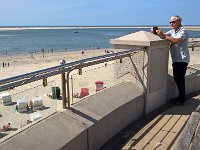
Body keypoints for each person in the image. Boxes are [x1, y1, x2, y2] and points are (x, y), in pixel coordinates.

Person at [156, 15, 190, 105]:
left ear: (179, 21)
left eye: (173, 22)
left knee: (180, 79)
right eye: (170, 22)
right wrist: (157, 33)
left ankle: (182, 99)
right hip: (176, 59)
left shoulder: (183, 31)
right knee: (177, 78)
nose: (171, 23)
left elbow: (176, 40)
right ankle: (181, 97)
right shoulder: (172, 31)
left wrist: (163, 35)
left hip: (182, 59)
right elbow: (165, 35)